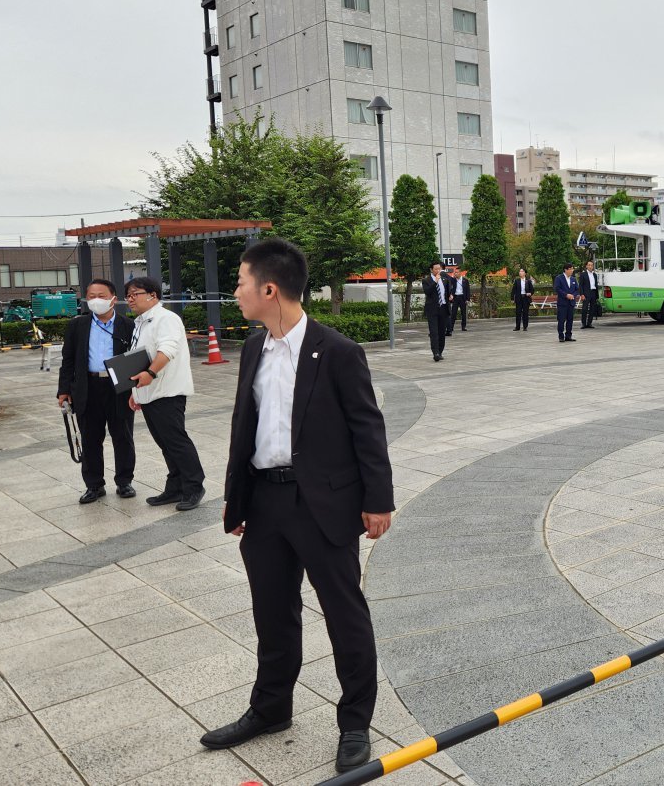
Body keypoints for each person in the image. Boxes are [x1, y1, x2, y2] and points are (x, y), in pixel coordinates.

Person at [202, 238, 393, 774]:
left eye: (240, 282)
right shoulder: (253, 348)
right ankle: (270, 709)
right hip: (265, 501)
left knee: (344, 614)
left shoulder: (337, 351)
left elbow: (367, 430)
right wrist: (237, 500)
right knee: (272, 611)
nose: (235, 292)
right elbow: (246, 428)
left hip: (323, 505)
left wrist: (379, 501)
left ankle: (355, 722)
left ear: (269, 288)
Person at [125, 277, 205, 511]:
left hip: (168, 392)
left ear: (152, 295)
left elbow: (167, 350)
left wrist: (150, 373)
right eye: (128, 295)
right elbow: (138, 356)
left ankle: (194, 486)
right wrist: (135, 393)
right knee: (165, 443)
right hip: (149, 392)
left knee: (176, 441)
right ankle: (175, 486)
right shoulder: (141, 322)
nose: (130, 299)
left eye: (134, 294)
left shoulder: (166, 319)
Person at [57, 279, 136, 505]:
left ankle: (124, 481)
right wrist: (63, 390)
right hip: (87, 387)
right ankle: (94, 485)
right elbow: (68, 360)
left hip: (118, 387)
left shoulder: (127, 325)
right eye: (91, 296)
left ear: (113, 298)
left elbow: (136, 357)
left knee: (123, 436)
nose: (95, 300)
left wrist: (135, 390)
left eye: (101, 295)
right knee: (90, 437)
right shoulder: (77, 325)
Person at [421, 262, 452, 362]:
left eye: (439, 269)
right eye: (436, 269)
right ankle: (436, 353)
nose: (438, 271)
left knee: (442, 332)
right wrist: (435, 282)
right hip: (432, 309)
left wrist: (450, 296)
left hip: (443, 308)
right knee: (434, 332)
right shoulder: (426, 280)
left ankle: (440, 351)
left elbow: (447, 291)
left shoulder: (445, 279)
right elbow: (428, 292)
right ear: (431, 270)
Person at [554, 262, 578, 341]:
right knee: (561, 320)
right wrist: (566, 295)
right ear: (565, 270)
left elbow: (577, 289)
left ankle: (568, 335)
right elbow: (557, 289)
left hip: (571, 302)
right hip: (562, 303)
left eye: (572, 269)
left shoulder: (573, 279)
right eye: (570, 269)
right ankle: (561, 336)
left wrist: (573, 295)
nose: (572, 271)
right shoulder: (559, 278)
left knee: (570, 320)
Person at [447, 269, 470, 335]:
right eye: (455, 273)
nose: (455, 274)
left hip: (463, 297)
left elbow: (468, 290)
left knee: (463, 313)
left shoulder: (465, 280)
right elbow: (450, 287)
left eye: (457, 272)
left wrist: (467, 299)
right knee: (453, 313)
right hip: (456, 297)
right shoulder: (453, 280)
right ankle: (451, 327)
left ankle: (463, 327)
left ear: (460, 273)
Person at [579, 260, 600, 329]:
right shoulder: (583, 274)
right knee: (584, 309)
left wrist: (597, 295)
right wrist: (582, 294)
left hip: (593, 292)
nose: (590, 266)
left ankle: (589, 323)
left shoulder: (595, 275)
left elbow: (596, 285)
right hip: (586, 293)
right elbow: (581, 285)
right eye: (589, 265)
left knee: (592, 309)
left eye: (592, 265)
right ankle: (583, 323)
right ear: (586, 266)